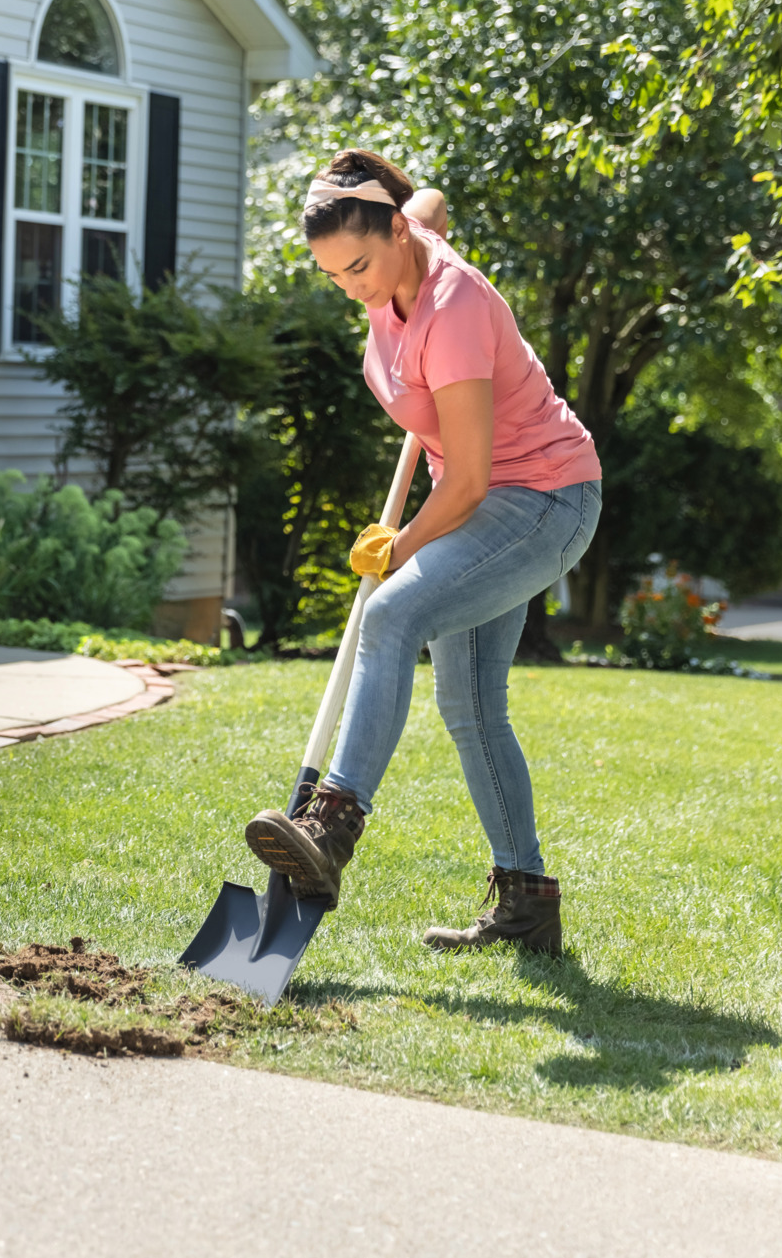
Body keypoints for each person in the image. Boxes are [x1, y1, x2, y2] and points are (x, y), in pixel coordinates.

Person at [242, 149, 602, 954]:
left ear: (396, 235)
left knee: (393, 614)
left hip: (543, 499)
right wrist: (397, 213)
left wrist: (400, 546)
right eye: (334, 276)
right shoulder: (403, 246)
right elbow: (428, 200)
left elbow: (469, 481)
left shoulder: (457, 305)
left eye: (359, 267)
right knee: (470, 707)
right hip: (487, 506)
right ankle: (526, 903)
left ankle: (331, 826)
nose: (352, 288)